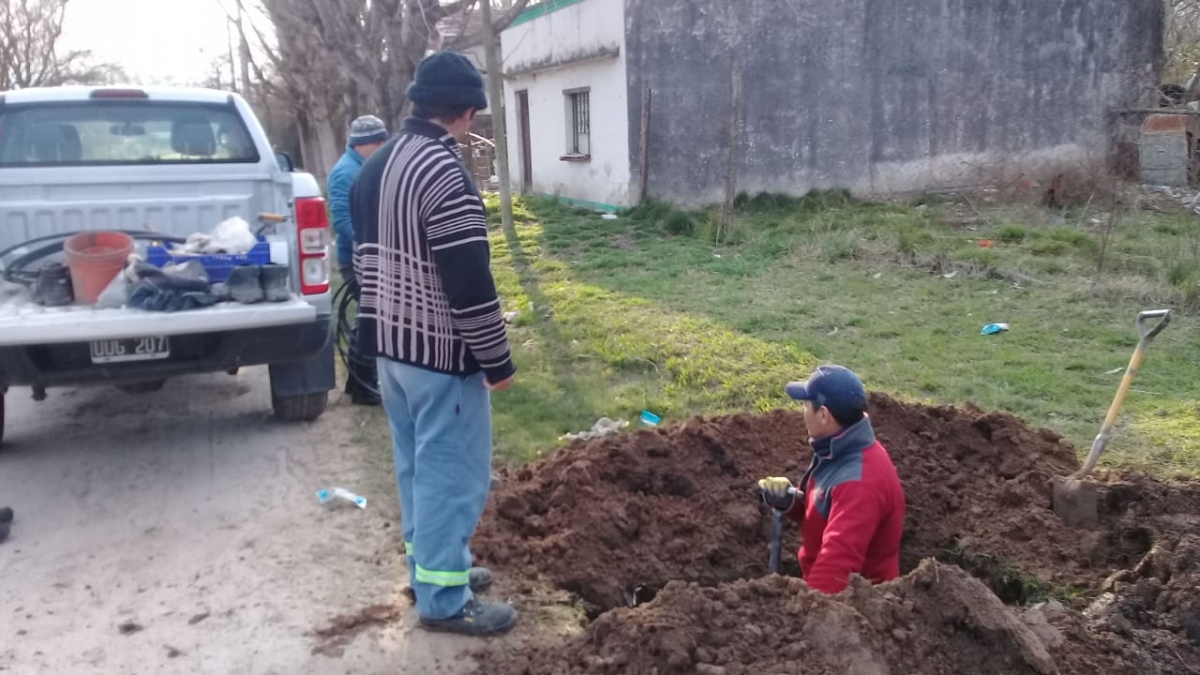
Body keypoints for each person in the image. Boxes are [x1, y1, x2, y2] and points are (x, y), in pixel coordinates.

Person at [349, 51, 517, 636]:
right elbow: (470, 281)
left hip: (391, 354)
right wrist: (496, 361)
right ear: (466, 112)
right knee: (452, 475)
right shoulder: (443, 171)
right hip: (441, 359)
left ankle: (434, 570)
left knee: (417, 469)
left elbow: (359, 262)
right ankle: (444, 601)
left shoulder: (376, 165)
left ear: (419, 102)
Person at [758, 365, 906, 594]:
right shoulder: (838, 450)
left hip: (860, 608)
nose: (802, 411)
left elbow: (836, 571)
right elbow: (827, 509)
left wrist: (801, 615)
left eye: (806, 405)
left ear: (824, 415)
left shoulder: (858, 482)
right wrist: (791, 502)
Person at [329, 115, 389, 406]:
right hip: (355, 261)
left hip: (367, 256)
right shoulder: (346, 173)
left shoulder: (361, 167)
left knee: (368, 318)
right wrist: (372, 245)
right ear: (363, 144)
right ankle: (364, 387)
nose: (381, 147)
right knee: (371, 319)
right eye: (378, 142)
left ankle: (358, 383)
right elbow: (342, 221)